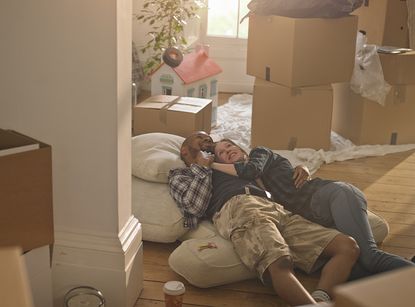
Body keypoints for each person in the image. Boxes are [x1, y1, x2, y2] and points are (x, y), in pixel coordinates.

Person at [168, 132, 359, 306]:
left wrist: (301, 167)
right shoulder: (180, 175)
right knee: (279, 261)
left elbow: (275, 169)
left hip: (276, 208)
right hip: (240, 207)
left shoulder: (236, 167)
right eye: (200, 139)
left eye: (210, 140)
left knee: (347, 246)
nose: (207, 142)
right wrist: (203, 166)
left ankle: (320, 300)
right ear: (185, 151)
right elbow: (194, 207)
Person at [211, 139, 415, 279]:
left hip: (333, 196)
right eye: (221, 153)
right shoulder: (242, 185)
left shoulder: (259, 154)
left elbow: (250, 169)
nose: (227, 150)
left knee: (369, 256)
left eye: (229, 145)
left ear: (242, 148)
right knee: (354, 268)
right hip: (319, 218)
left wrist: (211, 163)